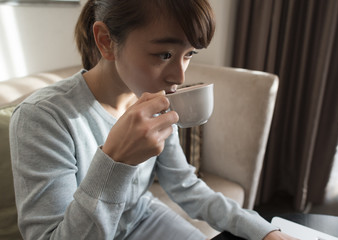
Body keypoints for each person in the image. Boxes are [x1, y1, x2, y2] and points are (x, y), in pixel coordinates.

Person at [10, 0, 297, 239]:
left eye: (189, 55)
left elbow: (186, 187)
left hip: (144, 220)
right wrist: (116, 161)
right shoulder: (43, 118)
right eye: (165, 54)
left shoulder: (151, 101)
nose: (180, 77)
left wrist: (265, 231)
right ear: (106, 41)